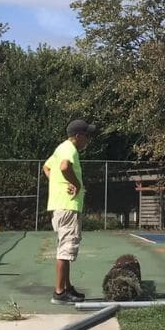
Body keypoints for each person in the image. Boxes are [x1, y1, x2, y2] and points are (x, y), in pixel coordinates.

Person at [43, 119, 96, 304]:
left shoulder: (60, 148)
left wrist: (58, 183)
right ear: (78, 136)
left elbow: (47, 167)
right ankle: (59, 293)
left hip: (60, 206)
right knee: (65, 250)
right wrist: (75, 183)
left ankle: (66, 287)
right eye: (87, 136)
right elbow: (65, 167)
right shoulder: (69, 149)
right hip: (68, 207)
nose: (88, 140)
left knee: (64, 247)